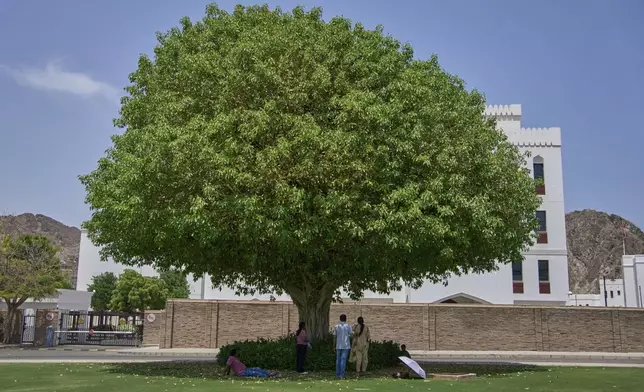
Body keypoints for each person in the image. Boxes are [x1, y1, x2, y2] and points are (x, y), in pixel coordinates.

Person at [332, 313, 352, 379]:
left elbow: (334, 336)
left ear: (340, 319)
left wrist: (334, 345)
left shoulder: (336, 326)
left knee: (338, 360)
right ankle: (342, 375)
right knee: (343, 360)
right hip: (346, 346)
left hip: (338, 345)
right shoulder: (348, 326)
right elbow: (351, 334)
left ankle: (337, 374)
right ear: (346, 319)